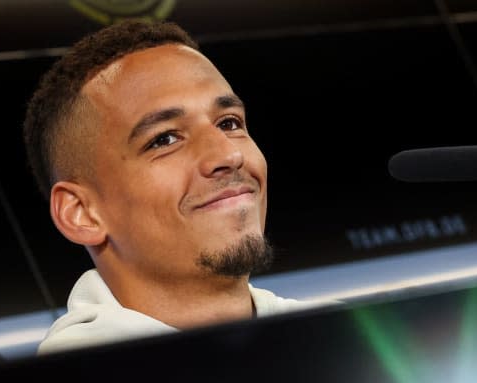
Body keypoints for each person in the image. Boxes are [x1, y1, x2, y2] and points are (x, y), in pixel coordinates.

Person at [23, 19, 328, 355]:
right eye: (165, 139)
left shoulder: (342, 342)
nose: (228, 154)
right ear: (81, 213)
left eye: (229, 123)